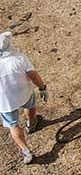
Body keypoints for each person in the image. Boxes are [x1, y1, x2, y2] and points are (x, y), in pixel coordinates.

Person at [0, 31, 47, 165]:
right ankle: (31, 124)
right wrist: (43, 88)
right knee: (30, 106)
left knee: (13, 126)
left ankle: (26, 151)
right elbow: (33, 75)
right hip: (24, 92)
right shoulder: (19, 57)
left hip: (5, 102)